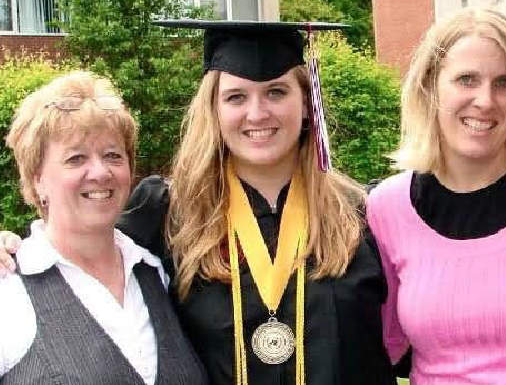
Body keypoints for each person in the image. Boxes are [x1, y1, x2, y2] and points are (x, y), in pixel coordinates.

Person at [0, 21, 395, 385]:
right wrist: (10, 248)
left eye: (276, 91)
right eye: (236, 96)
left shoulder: (363, 214)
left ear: (308, 104)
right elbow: (80, 243)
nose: (257, 113)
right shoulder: (169, 213)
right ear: (214, 109)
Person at [366, 7, 506, 384]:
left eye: (503, 82)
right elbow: (378, 345)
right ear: (430, 86)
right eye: (466, 79)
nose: (485, 100)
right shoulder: (386, 208)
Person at [0, 71, 208, 384]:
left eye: (112, 155)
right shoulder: (10, 293)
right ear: (37, 179)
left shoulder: (158, 273)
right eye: (75, 159)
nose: (99, 172)